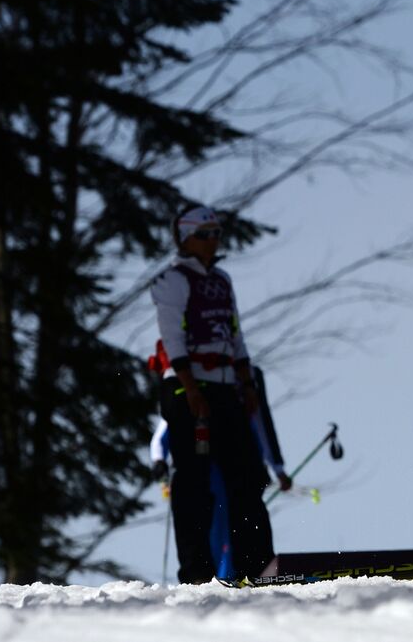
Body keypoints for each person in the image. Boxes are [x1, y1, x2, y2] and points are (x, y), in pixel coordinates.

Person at [150, 205, 276, 583]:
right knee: (193, 481)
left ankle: (256, 565)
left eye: (217, 233)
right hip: (187, 387)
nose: (213, 240)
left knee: (248, 476)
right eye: (205, 234)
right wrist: (190, 388)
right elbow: (172, 336)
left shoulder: (221, 279)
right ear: (186, 238)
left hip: (225, 386)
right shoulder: (172, 280)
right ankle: (196, 573)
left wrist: (246, 381)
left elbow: (234, 333)